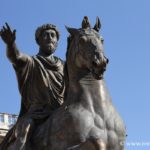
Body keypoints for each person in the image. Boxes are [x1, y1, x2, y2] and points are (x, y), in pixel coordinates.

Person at [0, 23, 65, 150]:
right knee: (25, 130)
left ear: (57, 42)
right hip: (37, 113)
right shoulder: (31, 62)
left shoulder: (65, 66)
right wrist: (10, 44)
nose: (50, 38)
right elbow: (16, 57)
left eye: (53, 35)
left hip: (60, 111)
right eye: (45, 35)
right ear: (38, 41)